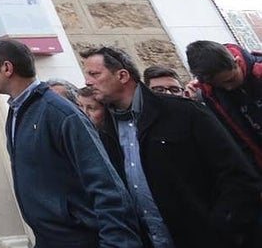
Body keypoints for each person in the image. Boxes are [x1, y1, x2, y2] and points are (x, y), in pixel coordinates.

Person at [81, 45, 261, 248]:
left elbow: (239, 176)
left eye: (94, 74)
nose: (88, 81)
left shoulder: (183, 112)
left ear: (122, 76)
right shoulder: (105, 130)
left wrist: (220, 229)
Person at [0, 39, 141, 247]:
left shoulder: (59, 113)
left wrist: (117, 243)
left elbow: (104, 183)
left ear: (7, 68)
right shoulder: (17, 112)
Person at [186, 40, 262, 172]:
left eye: (231, 79)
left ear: (237, 62)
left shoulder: (258, 70)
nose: (228, 87)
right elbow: (238, 140)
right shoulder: (211, 95)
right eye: (220, 85)